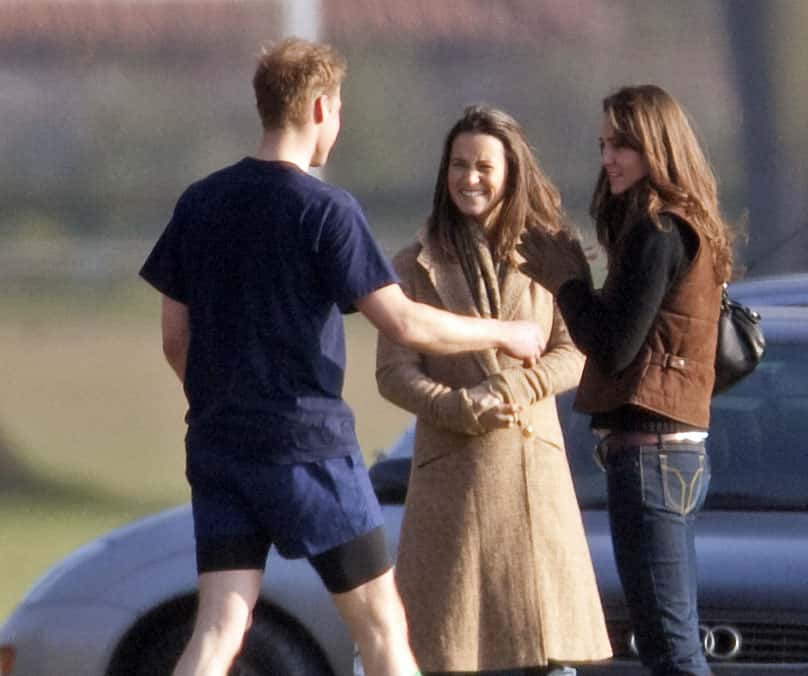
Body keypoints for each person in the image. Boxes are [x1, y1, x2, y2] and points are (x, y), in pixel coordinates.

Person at [139, 39, 545, 676]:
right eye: (340, 109)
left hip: (218, 446)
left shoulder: (200, 201)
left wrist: (225, 405)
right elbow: (403, 322)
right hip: (308, 450)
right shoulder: (326, 210)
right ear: (321, 108)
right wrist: (503, 333)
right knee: (381, 625)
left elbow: (174, 337)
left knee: (218, 628)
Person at [376, 105, 612, 676]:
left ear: (512, 172)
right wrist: (459, 407)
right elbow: (393, 373)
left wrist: (514, 386)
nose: (470, 178)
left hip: (533, 480)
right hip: (450, 487)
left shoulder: (554, 252)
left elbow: (576, 351)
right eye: (459, 165)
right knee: (451, 652)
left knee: (547, 656)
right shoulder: (412, 265)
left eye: (484, 166)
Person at [518, 85, 734, 676]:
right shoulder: (680, 223)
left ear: (658, 147)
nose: (608, 158)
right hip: (669, 457)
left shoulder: (658, 231)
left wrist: (567, 282)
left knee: (670, 648)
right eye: (603, 145)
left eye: (623, 146)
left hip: (652, 460)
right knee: (670, 641)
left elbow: (613, 347)